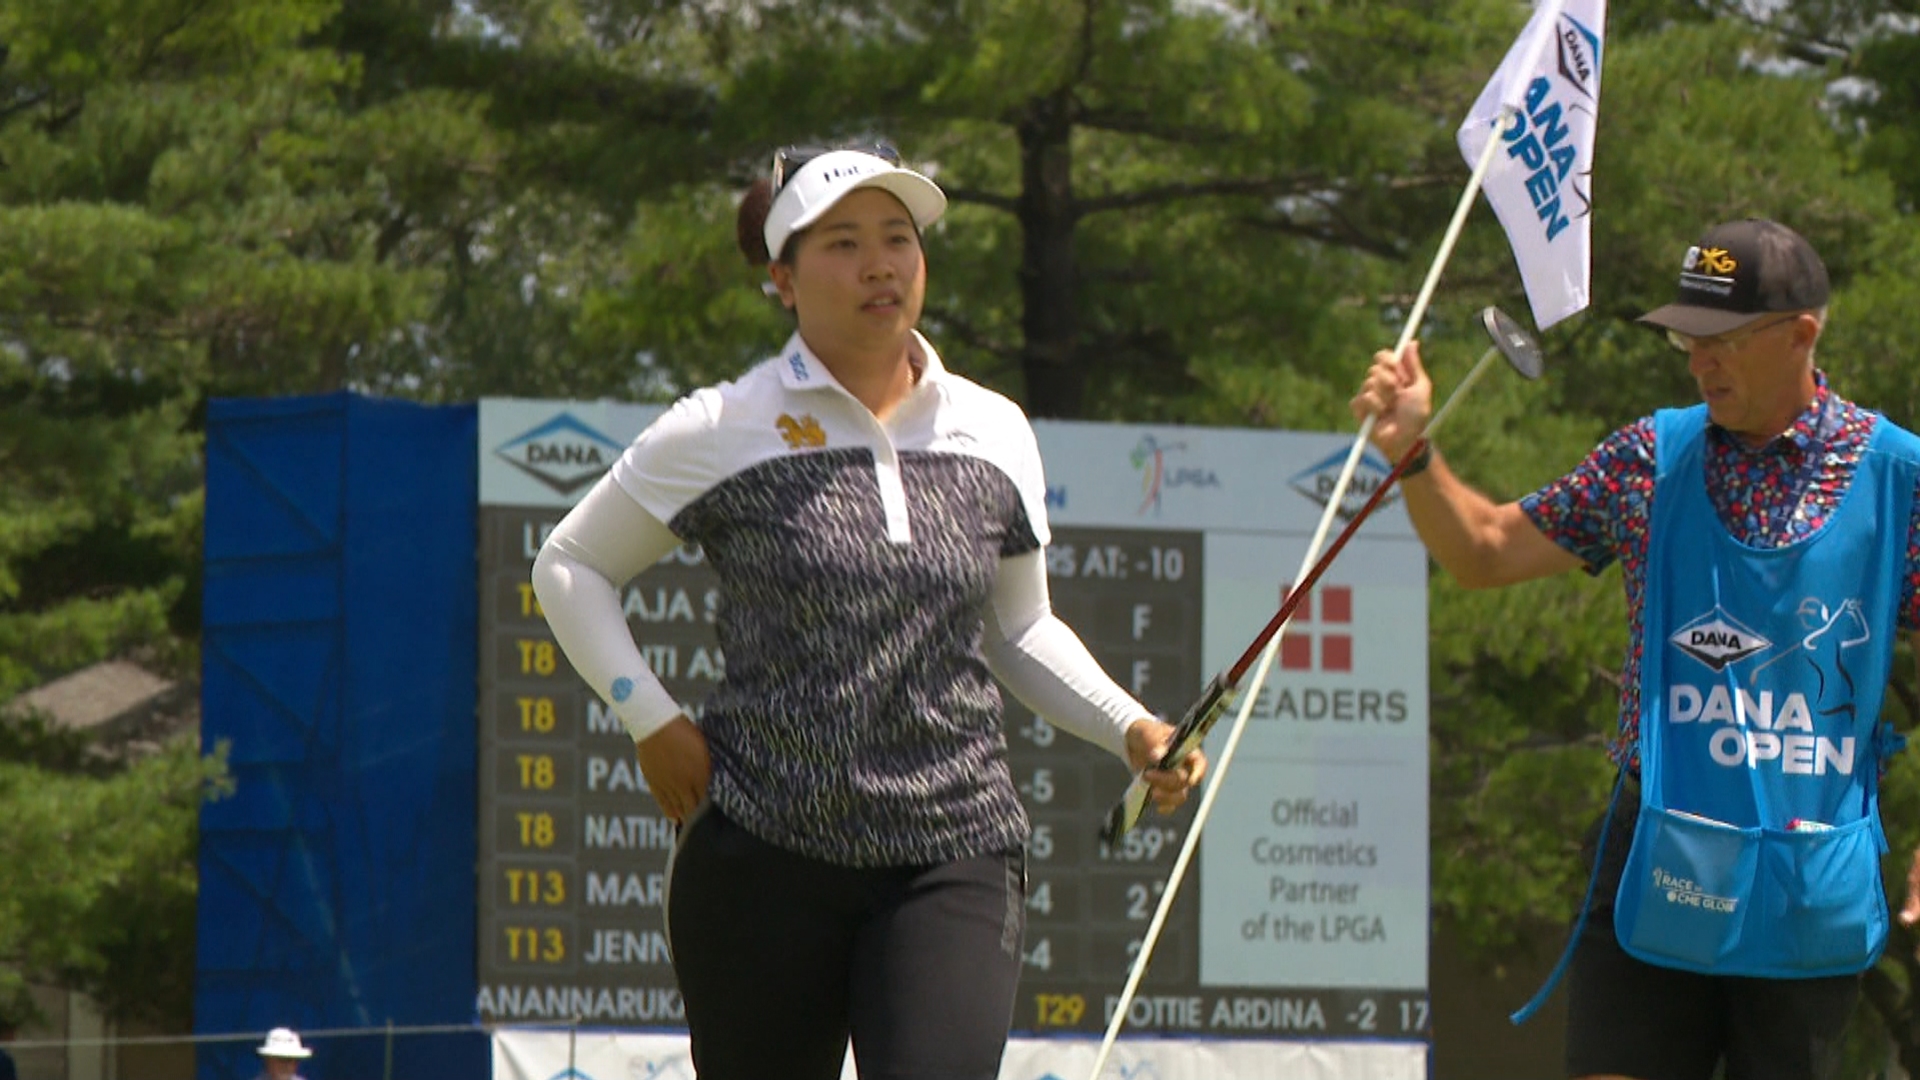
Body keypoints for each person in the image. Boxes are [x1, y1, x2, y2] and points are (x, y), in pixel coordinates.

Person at [531, 142, 1207, 1080]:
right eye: (843, 243)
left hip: (953, 851)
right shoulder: (721, 426)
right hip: (762, 855)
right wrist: (648, 717)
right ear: (782, 279)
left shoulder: (994, 428)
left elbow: (1019, 630)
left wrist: (1128, 726)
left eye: (899, 239)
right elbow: (569, 565)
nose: (880, 264)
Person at [1350, 217, 1920, 1080]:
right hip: (1657, 854)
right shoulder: (1650, 455)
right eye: (1687, 340)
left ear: (1803, 333)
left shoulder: (1898, 477)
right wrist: (1412, 456)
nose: (1699, 363)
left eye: (1721, 339)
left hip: (1809, 871)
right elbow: (1484, 551)